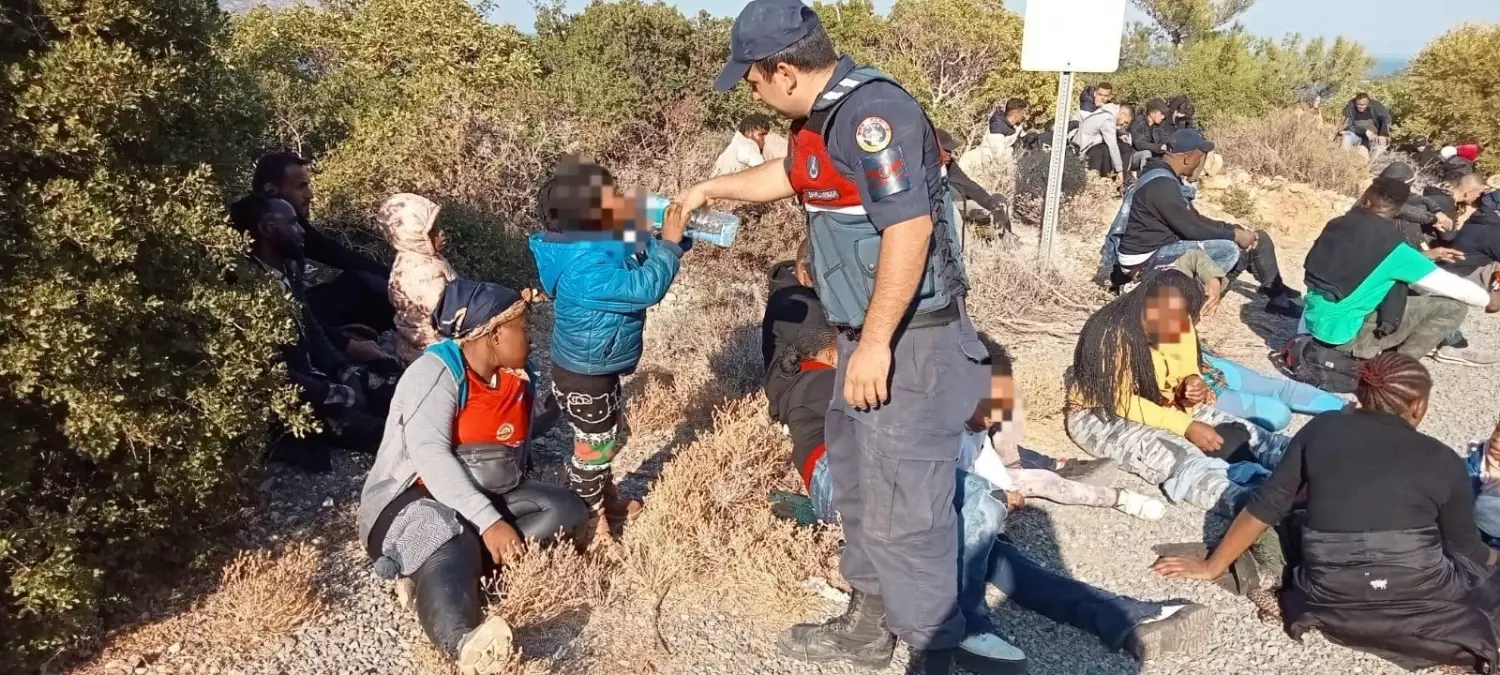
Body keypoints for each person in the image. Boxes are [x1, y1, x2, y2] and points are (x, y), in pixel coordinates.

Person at [674, 2, 989, 671]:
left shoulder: (873, 116)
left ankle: (933, 653)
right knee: (860, 481)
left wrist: (874, 344)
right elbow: (787, 177)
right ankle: (869, 629)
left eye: (753, 78)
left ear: (784, 70)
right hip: (861, 338)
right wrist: (709, 189)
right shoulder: (815, 124)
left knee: (912, 509)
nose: (750, 90)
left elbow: (909, 229)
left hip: (911, 345)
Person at [767, 318, 1204, 667]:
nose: (991, 417)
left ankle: (1118, 615)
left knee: (981, 538)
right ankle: (969, 626)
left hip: (886, 476)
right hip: (848, 477)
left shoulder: (932, 412)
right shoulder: (824, 382)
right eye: (985, 404)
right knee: (978, 514)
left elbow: (988, 469)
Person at [1154, 354, 1500, 673]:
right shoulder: (1443, 460)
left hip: (1329, 592)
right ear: (1418, 405)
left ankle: (1281, 577)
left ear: (1360, 394)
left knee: (1291, 525)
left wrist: (1211, 566)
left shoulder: (1323, 428)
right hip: (1416, 592)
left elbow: (1266, 505)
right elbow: (1466, 551)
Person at [357, 279, 590, 675]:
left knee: (565, 511)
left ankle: (434, 575)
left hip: (479, 494)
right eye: (522, 327)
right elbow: (430, 456)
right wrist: (490, 521)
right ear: (495, 334)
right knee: (441, 530)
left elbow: (511, 433)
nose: (530, 337)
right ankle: (464, 643)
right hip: (409, 501)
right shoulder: (434, 374)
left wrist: (564, 410)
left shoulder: (517, 376)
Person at [528, 159, 683, 547]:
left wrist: (670, 239)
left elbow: (635, 256)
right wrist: (670, 246)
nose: (622, 203)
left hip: (597, 364)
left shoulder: (593, 246)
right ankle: (588, 522)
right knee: (592, 450)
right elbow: (645, 287)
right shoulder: (585, 265)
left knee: (605, 437)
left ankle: (604, 500)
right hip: (585, 372)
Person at [1067, 269, 1293, 517]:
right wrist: (1185, 426)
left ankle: (1310, 468)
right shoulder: (1110, 334)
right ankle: (1257, 507)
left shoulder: (1179, 320)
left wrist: (1191, 381)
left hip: (1166, 405)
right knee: (1181, 458)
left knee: (1248, 433)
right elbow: (1122, 403)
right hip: (1104, 414)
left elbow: (1185, 364)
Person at [230, 194, 390, 471]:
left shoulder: (288, 267)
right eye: (292, 223)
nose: (302, 230)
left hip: (311, 375)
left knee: (387, 393)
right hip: (285, 399)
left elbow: (310, 326)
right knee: (379, 430)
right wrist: (327, 392)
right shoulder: (242, 289)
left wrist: (342, 370)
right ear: (267, 229)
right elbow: (268, 371)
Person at [1101, 129, 1302, 317]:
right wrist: (1233, 236)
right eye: (1200, 158)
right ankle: (1189, 300)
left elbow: (1193, 220)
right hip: (1144, 261)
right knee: (1229, 249)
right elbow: (1191, 229)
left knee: (1255, 238)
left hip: (1158, 249)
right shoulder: (1162, 185)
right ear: (1188, 158)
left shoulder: (1163, 176)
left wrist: (1232, 229)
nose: (1201, 163)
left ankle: (1276, 294)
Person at [1301, 165, 1490, 363]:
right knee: (1453, 307)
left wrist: (1425, 256)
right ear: (1401, 208)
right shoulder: (1394, 248)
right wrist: (1487, 300)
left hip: (1313, 324)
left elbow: (1363, 261)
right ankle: (1393, 367)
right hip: (1345, 339)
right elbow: (1463, 291)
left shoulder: (1338, 224)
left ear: (1366, 199)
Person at [252, 152, 396, 338]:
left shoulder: (289, 222)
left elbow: (332, 253)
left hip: (293, 312)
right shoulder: (263, 225)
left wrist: (396, 280)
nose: (309, 195)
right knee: (358, 286)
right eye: (301, 187)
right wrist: (343, 344)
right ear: (271, 190)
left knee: (359, 281)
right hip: (274, 323)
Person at [380, 193, 457, 364]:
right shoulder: (420, 271)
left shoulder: (419, 257)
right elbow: (449, 313)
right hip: (433, 349)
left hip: (416, 346)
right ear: (414, 235)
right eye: (433, 230)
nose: (442, 233)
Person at [937, 129, 1011, 237]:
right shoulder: (919, 167)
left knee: (1000, 201)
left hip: (959, 204)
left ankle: (1003, 237)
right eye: (946, 150)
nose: (950, 154)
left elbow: (968, 185)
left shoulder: (949, 165)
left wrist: (994, 206)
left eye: (950, 151)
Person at [1074, 103, 1126, 180]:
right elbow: (1113, 146)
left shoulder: (1103, 112)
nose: (1124, 125)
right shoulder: (1108, 119)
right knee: (1103, 149)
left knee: (1105, 149)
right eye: (1125, 122)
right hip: (1083, 151)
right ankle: (1107, 180)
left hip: (1084, 146)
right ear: (1123, 114)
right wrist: (1120, 170)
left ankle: (1107, 179)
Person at [1126, 99, 1172, 176]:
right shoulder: (1138, 123)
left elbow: (1164, 139)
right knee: (1146, 153)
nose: (1163, 117)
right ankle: (1145, 178)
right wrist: (1159, 147)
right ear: (1152, 113)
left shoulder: (1159, 125)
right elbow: (1139, 144)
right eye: (1161, 114)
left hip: (1152, 156)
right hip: (1133, 156)